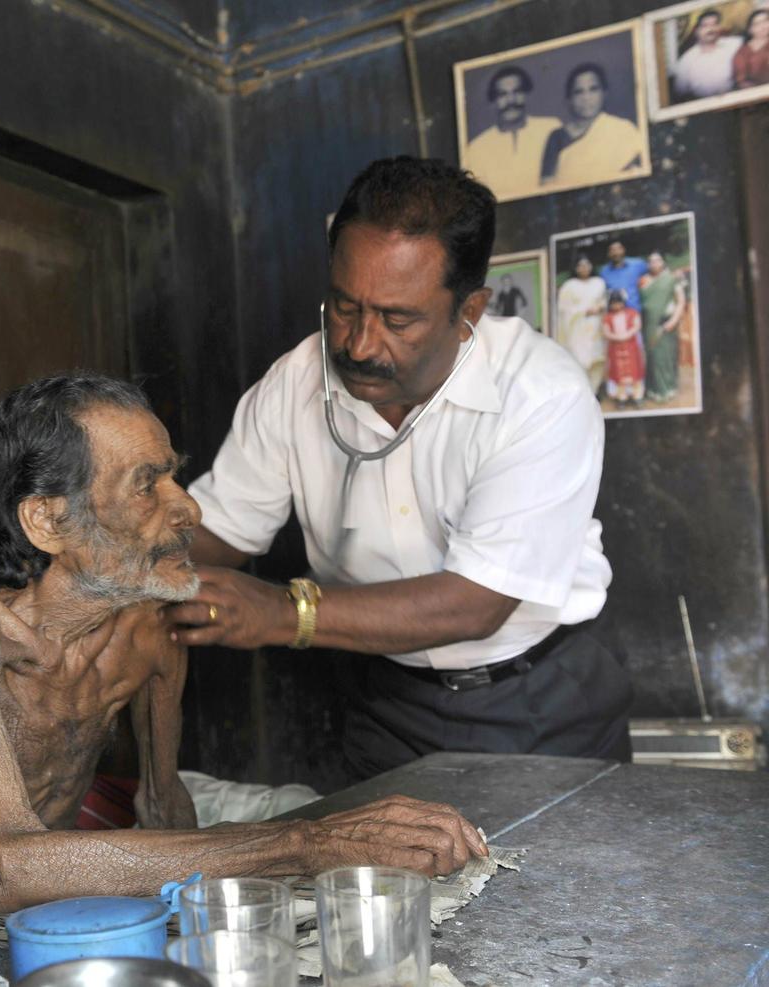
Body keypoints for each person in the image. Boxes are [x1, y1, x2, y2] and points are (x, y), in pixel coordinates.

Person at [0, 372, 487, 955]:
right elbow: (10, 868)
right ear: (49, 520)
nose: (189, 509)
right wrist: (311, 843)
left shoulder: (147, 631)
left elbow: (162, 806)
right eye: (147, 484)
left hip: (53, 926)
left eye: (174, 478)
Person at [170, 157, 631, 779]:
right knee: (382, 870)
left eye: (396, 319)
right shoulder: (297, 381)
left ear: (469, 310)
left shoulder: (540, 392)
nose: (359, 344)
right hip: (384, 696)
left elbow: (475, 604)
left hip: (536, 695)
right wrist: (102, 568)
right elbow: (219, 530)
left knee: (552, 875)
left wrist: (285, 612)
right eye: (344, 306)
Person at [462, 65, 560, 200]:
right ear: (494, 101)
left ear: (526, 95)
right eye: (502, 94)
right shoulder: (476, 148)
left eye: (517, 91)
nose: (511, 100)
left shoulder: (551, 128)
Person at [540, 63, 644, 188]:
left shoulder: (624, 130)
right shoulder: (557, 137)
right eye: (578, 92)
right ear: (569, 99)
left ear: (604, 93)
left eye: (593, 89)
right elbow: (546, 186)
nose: (586, 98)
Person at [639, 251, 687, 402]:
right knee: (652, 357)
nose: (654, 263)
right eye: (651, 261)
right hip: (648, 324)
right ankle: (654, 390)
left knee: (665, 356)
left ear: (663, 262)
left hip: (665, 324)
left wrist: (673, 321)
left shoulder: (671, 278)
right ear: (648, 265)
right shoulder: (643, 281)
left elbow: (681, 301)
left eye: (657, 260)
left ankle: (667, 389)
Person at [557, 255, 609, 395]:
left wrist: (600, 308)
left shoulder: (599, 283)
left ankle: (596, 390)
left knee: (597, 359)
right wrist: (584, 311)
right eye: (580, 265)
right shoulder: (569, 286)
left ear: (591, 266)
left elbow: (605, 301)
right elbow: (563, 309)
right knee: (580, 360)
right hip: (577, 330)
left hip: (597, 328)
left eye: (587, 264)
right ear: (575, 268)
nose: (584, 267)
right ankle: (585, 393)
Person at [672, 9, 742, 100]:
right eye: (705, 26)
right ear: (696, 31)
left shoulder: (734, 44)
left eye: (715, 24)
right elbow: (680, 94)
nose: (711, 29)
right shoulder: (686, 61)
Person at [601, 289, 644, 406]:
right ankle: (622, 397)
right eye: (614, 303)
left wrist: (627, 335)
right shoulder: (608, 317)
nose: (616, 305)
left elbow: (637, 326)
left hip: (631, 348)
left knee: (634, 370)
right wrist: (616, 337)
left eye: (618, 302)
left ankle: (637, 396)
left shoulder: (632, 313)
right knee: (618, 372)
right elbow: (606, 332)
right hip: (615, 349)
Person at [600, 240, 648, 319]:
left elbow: (654, 271)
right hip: (614, 315)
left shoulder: (637, 264)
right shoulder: (604, 272)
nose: (616, 253)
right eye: (612, 250)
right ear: (609, 254)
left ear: (623, 250)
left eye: (618, 249)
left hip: (635, 313)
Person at [734, 9, 769, 89]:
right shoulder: (743, 53)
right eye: (757, 24)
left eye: (766, 20)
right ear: (750, 29)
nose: (764, 26)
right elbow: (741, 81)